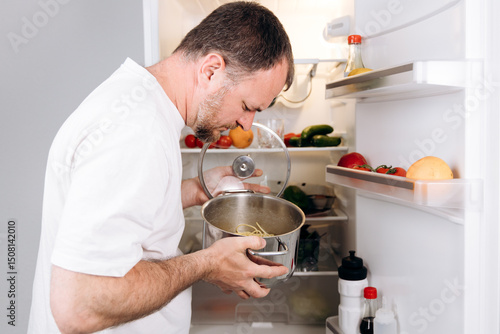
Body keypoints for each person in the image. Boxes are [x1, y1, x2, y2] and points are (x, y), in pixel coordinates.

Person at [28, 1, 294, 333]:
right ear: (211, 70)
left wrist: (194, 190)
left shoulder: (140, 105)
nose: (246, 125)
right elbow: (79, 306)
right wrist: (207, 264)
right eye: (246, 106)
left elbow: (130, 209)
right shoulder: (138, 130)